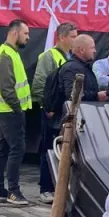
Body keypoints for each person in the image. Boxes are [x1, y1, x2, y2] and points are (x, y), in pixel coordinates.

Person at [0, 19, 33, 206]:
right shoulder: (6, 55)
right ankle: (13, 191)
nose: (28, 38)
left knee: (4, 147)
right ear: (15, 33)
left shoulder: (8, 53)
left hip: (4, 109)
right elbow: (7, 88)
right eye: (26, 34)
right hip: (9, 110)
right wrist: (17, 108)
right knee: (17, 148)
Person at [33, 22, 77, 203]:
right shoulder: (49, 56)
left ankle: (58, 187)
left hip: (64, 111)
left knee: (62, 149)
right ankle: (45, 188)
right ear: (62, 37)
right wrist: (48, 107)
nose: (75, 40)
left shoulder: (68, 57)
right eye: (73, 37)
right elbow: (39, 84)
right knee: (49, 149)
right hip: (52, 112)